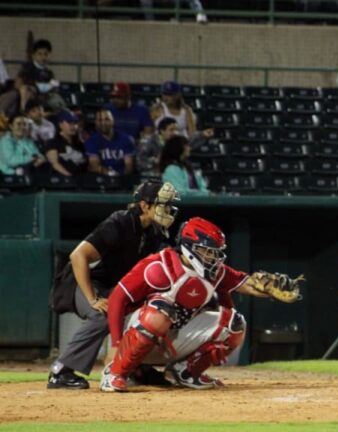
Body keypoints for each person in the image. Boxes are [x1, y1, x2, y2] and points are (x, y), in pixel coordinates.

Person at [100, 217, 303, 392]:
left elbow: (246, 283)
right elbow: (118, 297)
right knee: (160, 310)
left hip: (173, 339)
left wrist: (269, 289)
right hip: (137, 335)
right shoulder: (158, 266)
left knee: (235, 324)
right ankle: (116, 371)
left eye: (216, 253)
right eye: (208, 252)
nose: (213, 257)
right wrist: (116, 344)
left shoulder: (216, 272)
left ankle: (186, 372)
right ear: (189, 248)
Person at [47, 181, 180, 389]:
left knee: (148, 311)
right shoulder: (120, 222)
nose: (168, 210)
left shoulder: (153, 232)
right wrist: (92, 298)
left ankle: (136, 367)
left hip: (113, 288)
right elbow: (78, 256)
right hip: (80, 283)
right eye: (163, 204)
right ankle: (61, 370)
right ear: (145, 205)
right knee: (105, 313)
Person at [19, 39, 67, 113]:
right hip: (32, 95)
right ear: (33, 55)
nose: (43, 57)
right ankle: (23, 112)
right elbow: (23, 84)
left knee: (57, 101)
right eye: (40, 54)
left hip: (46, 97)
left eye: (46, 54)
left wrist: (53, 86)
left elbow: (55, 86)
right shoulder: (27, 68)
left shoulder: (49, 72)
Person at [85, 108, 136, 176]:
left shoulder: (126, 139)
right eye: (100, 120)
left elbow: (129, 165)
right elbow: (94, 165)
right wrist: (110, 173)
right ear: (96, 122)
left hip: (123, 179)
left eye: (107, 119)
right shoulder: (92, 141)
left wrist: (121, 179)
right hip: (102, 179)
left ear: (113, 121)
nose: (103, 123)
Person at [44, 110, 87, 177]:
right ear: (60, 124)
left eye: (75, 122)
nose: (73, 126)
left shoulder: (80, 144)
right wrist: (71, 178)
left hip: (83, 180)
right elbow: (55, 164)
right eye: (69, 122)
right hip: (63, 182)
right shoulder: (53, 143)